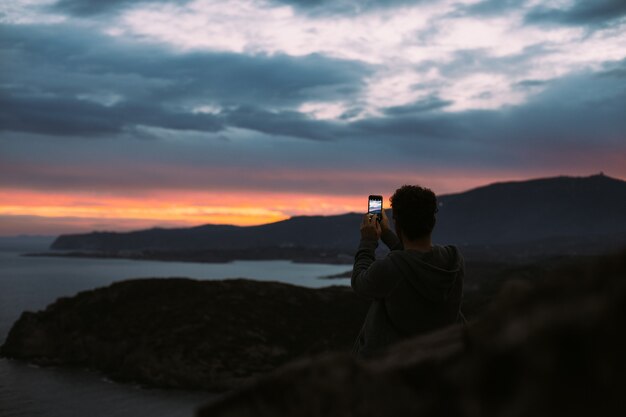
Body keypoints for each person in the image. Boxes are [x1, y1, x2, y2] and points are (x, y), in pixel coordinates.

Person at [351, 185, 464, 357]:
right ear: (432, 221)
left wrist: (368, 241)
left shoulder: (390, 269)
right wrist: (387, 234)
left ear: (397, 223)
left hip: (392, 365)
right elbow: (415, 259)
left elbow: (359, 283)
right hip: (439, 358)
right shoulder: (453, 260)